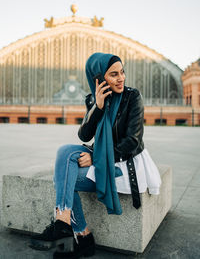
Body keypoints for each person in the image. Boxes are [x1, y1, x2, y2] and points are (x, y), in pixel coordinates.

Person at [30, 52, 161, 258]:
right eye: (114, 74)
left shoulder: (132, 97)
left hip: (125, 162)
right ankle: (66, 225)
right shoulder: (93, 99)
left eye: (122, 72)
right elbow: (84, 134)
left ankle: (78, 235)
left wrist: (97, 158)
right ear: (99, 79)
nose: (121, 78)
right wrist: (97, 107)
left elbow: (132, 142)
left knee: (63, 177)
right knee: (64, 153)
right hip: (103, 154)